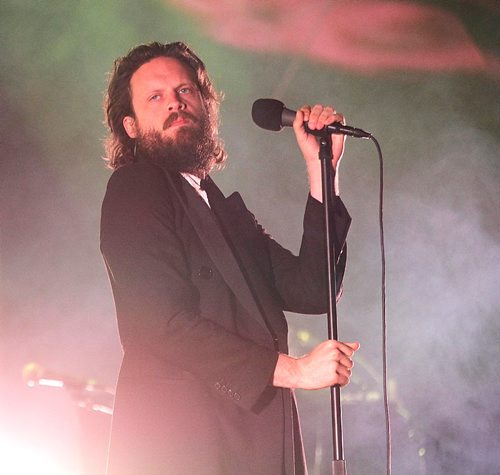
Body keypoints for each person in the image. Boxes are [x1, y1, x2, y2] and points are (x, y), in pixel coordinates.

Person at [100, 41, 359, 475]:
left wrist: (322, 171)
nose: (175, 104)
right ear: (130, 126)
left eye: (185, 91)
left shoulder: (218, 206)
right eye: (156, 97)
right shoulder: (135, 187)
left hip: (250, 438)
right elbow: (159, 323)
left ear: (204, 104)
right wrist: (292, 371)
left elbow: (315, 289)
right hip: (185, 444)